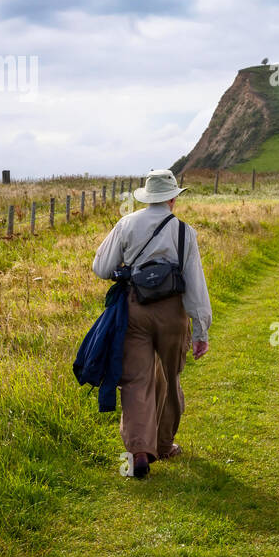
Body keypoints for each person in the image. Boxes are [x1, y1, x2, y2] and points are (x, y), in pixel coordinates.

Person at [92, 169, 212, 479]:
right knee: (170, 377)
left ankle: (138, 452)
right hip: (173, 314)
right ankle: (164, 443)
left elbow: (101, 266)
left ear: (148, 196)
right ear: (173, 198)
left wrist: (127, 270)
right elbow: (196, 286)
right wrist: (200, 331)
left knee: (136, 380)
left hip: (135, 310)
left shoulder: (126, 223)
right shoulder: (185, 232)